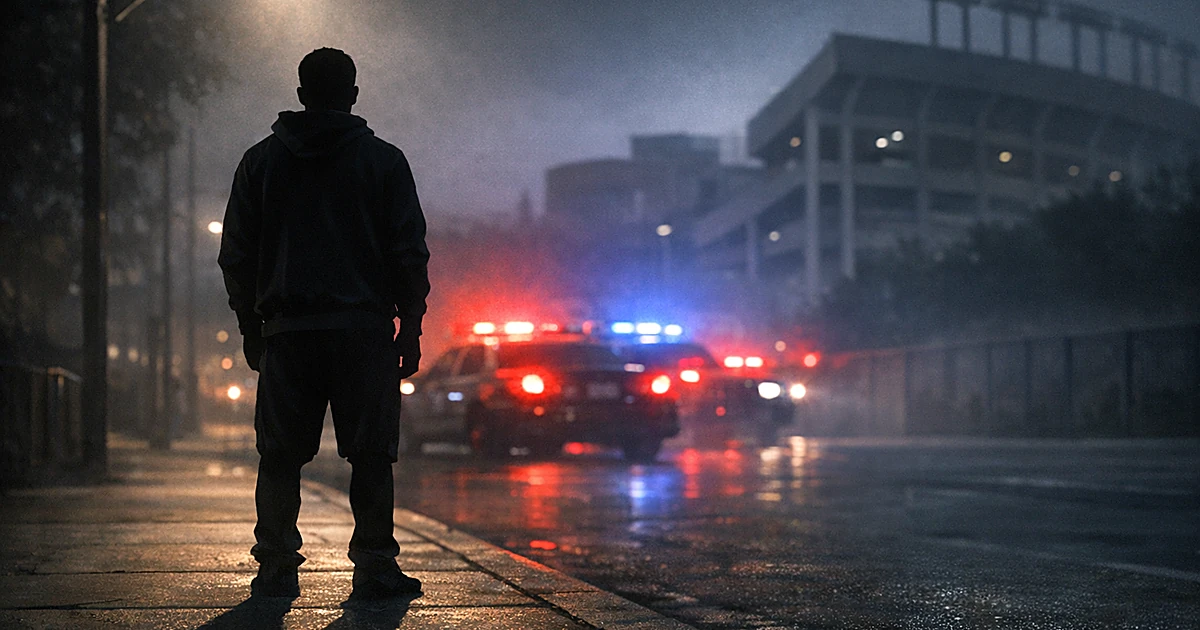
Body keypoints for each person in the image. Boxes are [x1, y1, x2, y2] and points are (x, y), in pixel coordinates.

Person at [218, 47, 430, 601]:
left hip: (288, 333)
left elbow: (236, 255)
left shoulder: (260, 163)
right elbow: (408, 253)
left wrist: (250, 327)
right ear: (353, 95)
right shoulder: (384, 163)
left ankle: (276, 566)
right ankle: (374, 566)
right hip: (363, 333)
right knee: (371, 455)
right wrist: (410, 328)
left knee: (280, 456)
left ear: (300, 95)